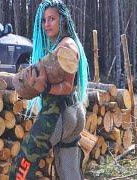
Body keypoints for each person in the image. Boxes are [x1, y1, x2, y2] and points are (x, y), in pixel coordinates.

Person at [10, 0, 89, 179]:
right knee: (68, 171)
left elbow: (68, 86)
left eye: (52, 19)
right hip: (75, 114)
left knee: (21, 168)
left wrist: (45, 87)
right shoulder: (65, 43)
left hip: (59, 117)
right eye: (44, 20)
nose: (47, 24)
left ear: (62, 20)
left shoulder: (66, 46)